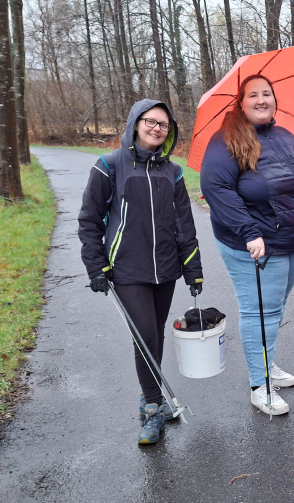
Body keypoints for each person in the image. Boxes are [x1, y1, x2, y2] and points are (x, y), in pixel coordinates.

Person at [78, 99, 204, 444]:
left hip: (166, 269)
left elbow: (184, 226)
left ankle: (150, 395)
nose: (156, 128)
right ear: (135, 123)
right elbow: (89, 220)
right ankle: (152, 406)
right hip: (127, 269)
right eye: (150, 121)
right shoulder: (109, 166)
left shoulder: (173, 172)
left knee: (156, 333)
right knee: (145, 334)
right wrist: (96, 265)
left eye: (163, 125)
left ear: (169, 132)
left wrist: (193, 269)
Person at [200, 75, 294, 416]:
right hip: (254, 245)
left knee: (275, 307)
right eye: (252, 95)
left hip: (293, 239)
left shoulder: (283, 135)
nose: (261, 100)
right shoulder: (225, 142)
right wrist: (250, 232)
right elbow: (216, 190)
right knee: (260, 312)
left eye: (266, 93)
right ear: (240, 103)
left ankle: (267, 364)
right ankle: (260, 384)